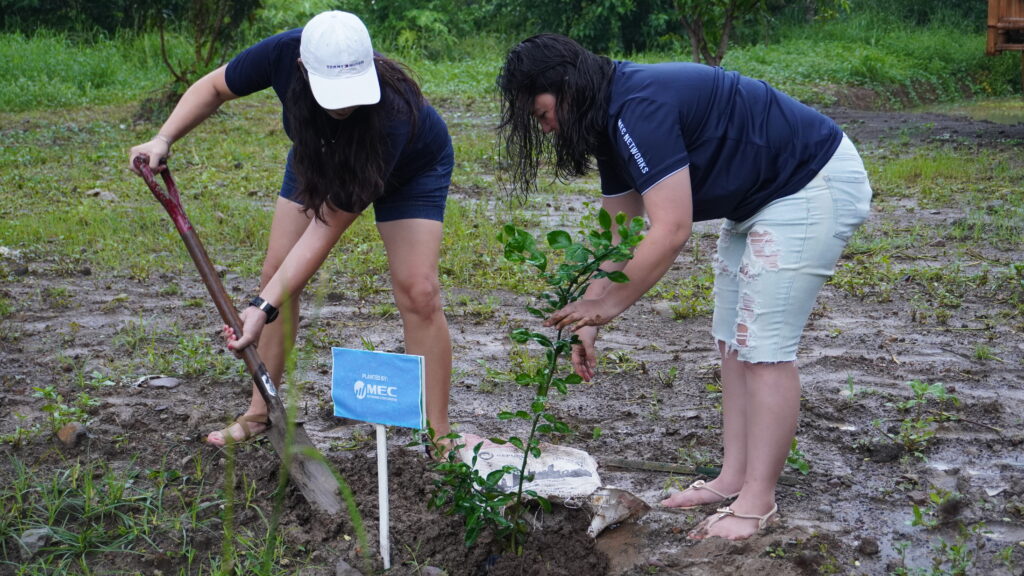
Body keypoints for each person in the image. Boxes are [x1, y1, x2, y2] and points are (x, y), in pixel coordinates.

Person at [497, 34, 872, 541]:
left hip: (810, 183)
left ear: (563, 87)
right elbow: (620, 234)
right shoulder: (608, 117)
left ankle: (757, 502)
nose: (544, 127)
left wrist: (607, 307)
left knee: (764, 348)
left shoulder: (638, 107)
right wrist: (589, 317)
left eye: (541, 112)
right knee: (732, 341)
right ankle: (732, 480)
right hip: (762, 200)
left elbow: (670, 229)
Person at [129, 11, 454, 448]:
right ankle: (260, 413)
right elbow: (214, 87)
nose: (344, 104)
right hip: (317, 157)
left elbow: (323, 232)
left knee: (419, 290)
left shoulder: (393, 112)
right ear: (303, 68)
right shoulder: (284, 52)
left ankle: (439, 435)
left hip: (410, 169)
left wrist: (259, 309)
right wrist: (163, 138)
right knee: (276, 275)